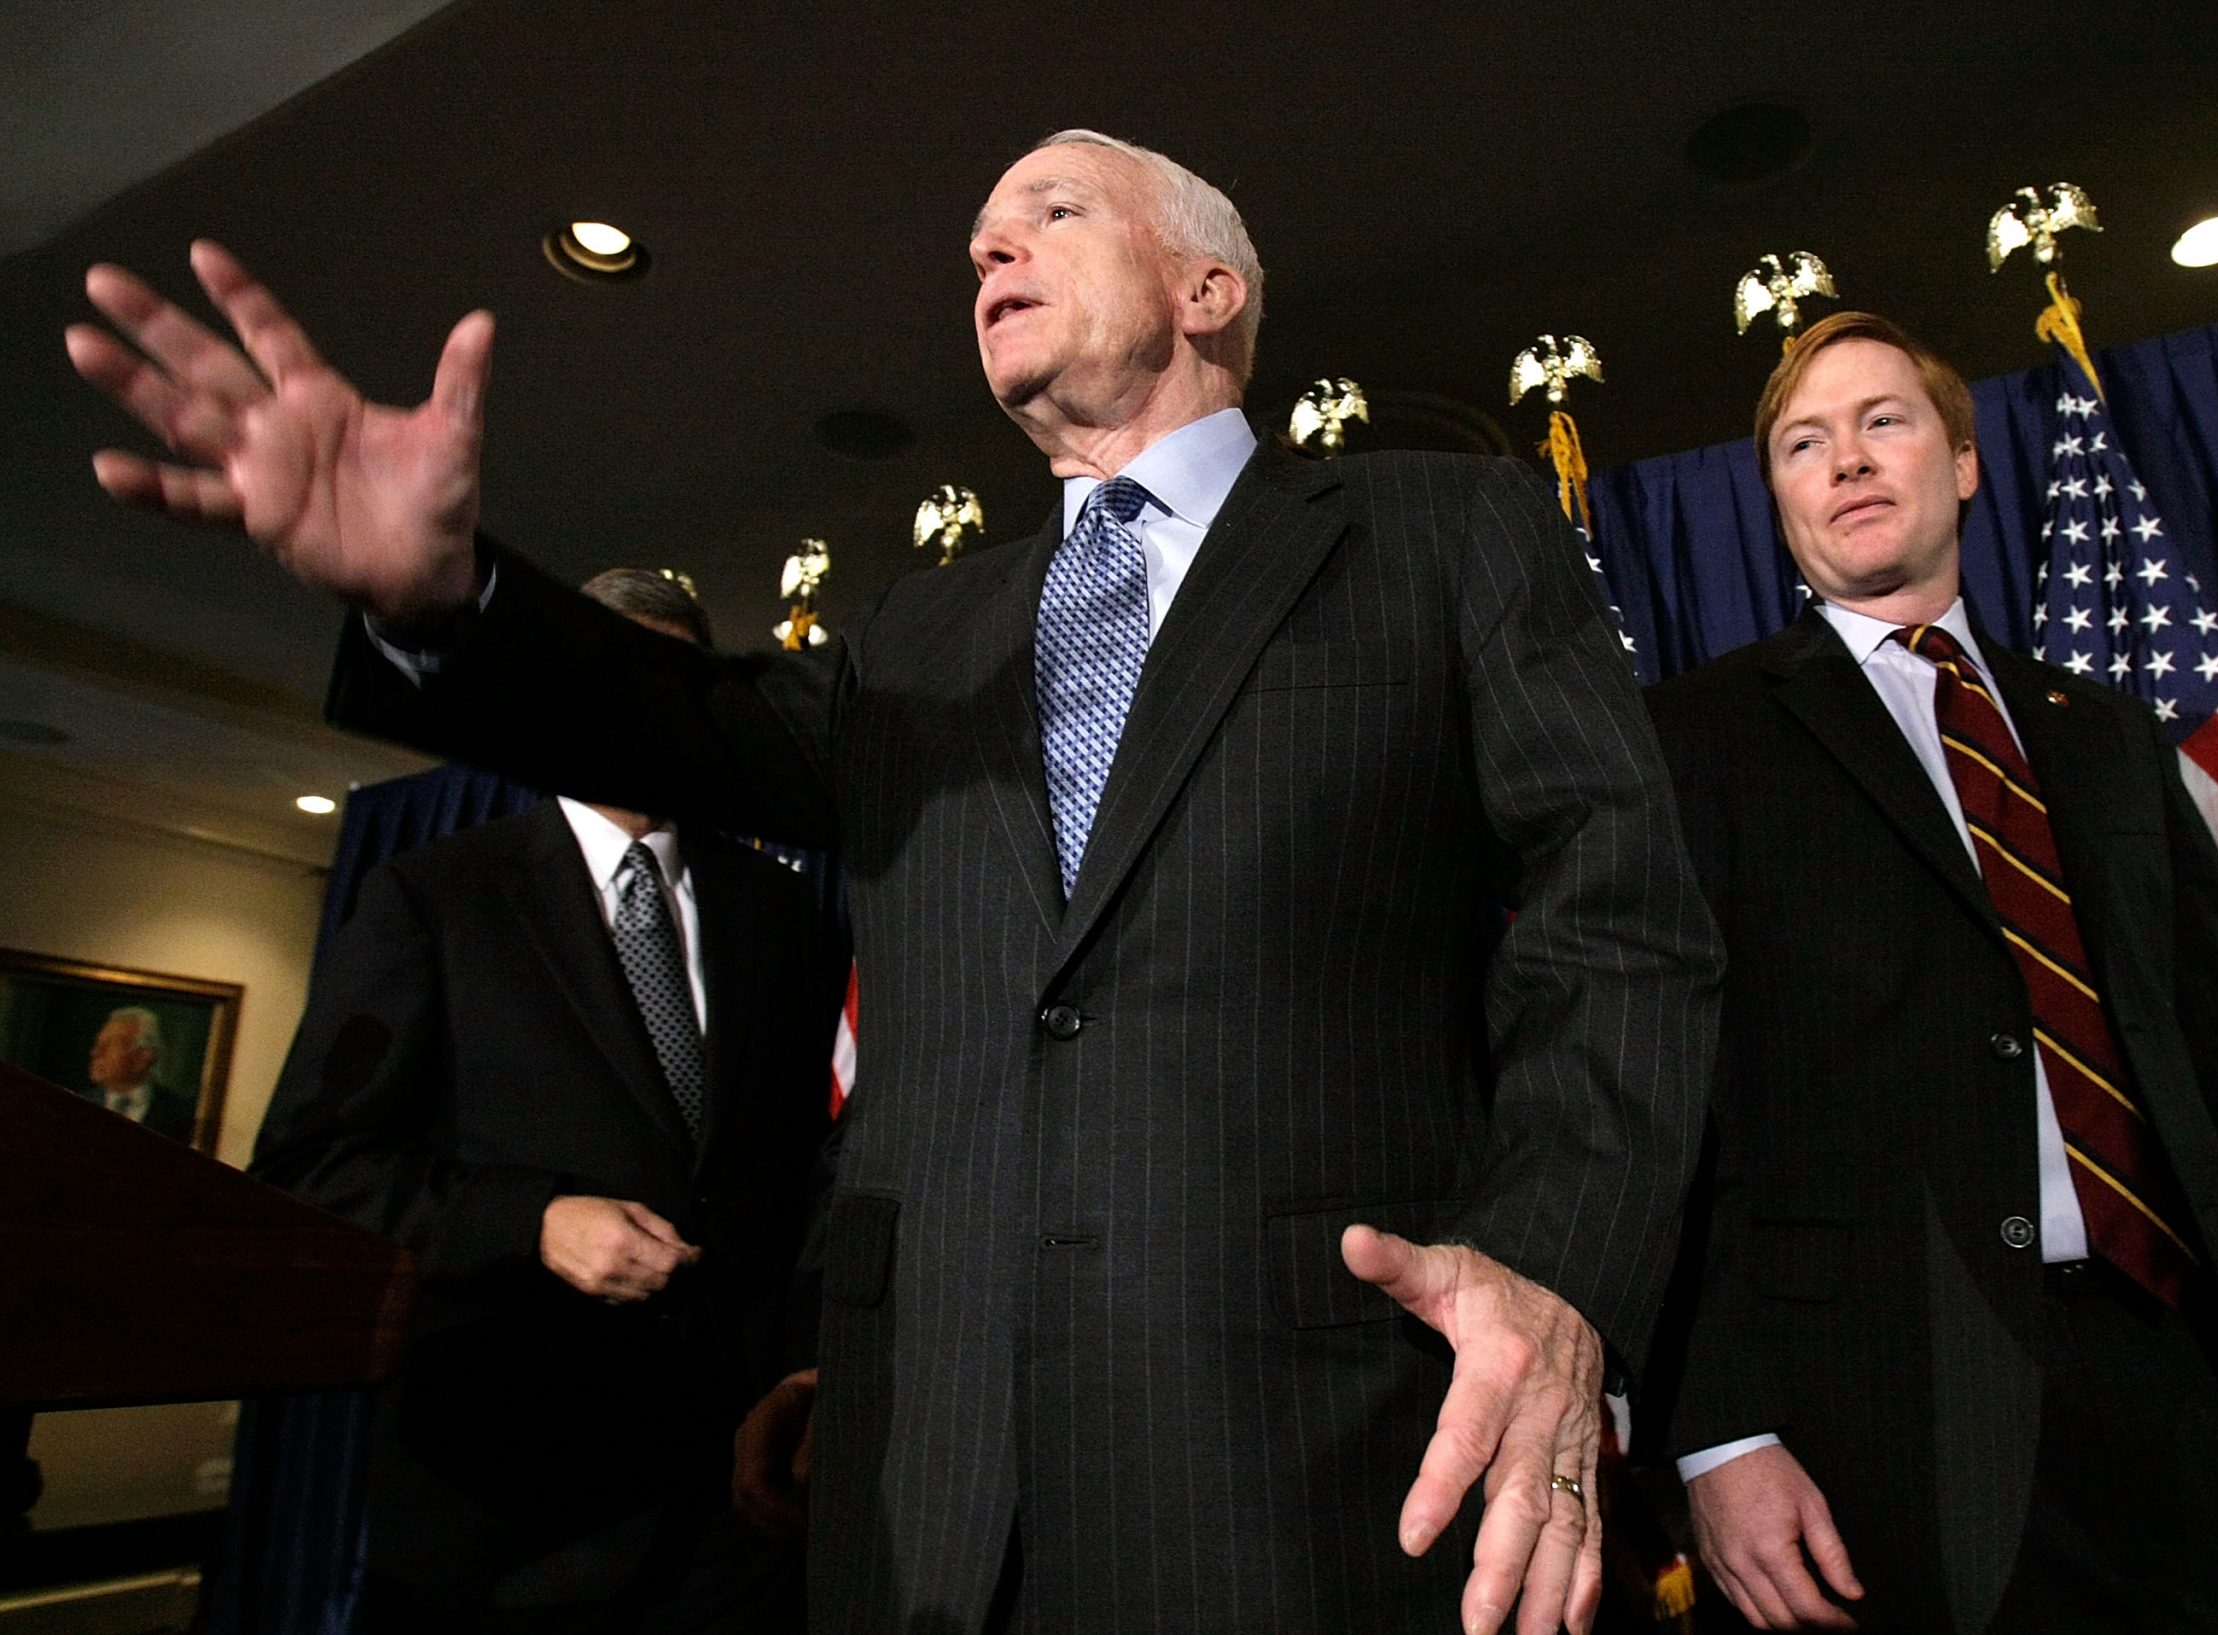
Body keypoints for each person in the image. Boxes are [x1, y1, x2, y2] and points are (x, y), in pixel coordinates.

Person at [68, 129, 1718, 1634]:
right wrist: (444, 600)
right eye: (977, 245)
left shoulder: (1443, 533)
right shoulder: (926, 635)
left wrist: (1559, 1266)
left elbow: (1621, 912)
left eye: (1049, 215)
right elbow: (682, 727)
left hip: (1310, 1462)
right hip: (924, 1494)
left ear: (1209, 289)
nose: (990, 255)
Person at [1642, 312, 2218, 1632]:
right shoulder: (1694, 739)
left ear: (1966, 462)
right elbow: (1667, 1112)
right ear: (1778, 495)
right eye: (1805, 443)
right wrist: (1718, 1432)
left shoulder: (2102, 735)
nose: (1848, 461)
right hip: (1893, 1433)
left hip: (2190, 1378)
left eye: (1885, 421)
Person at [249, 569, 845, 1633]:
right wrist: (529, 1219)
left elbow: (816, 1173)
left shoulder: (784, 911)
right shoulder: (434, 897)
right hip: (503, 1518)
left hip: (737, 1516)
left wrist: (804, 1373)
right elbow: (312, 1169)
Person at [79, 1005, 196, 1142]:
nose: (96, 1053)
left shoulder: (179, 1114)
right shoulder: (79, 1106)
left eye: (111, 1044)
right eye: (98, 1044)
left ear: (143, 1057)